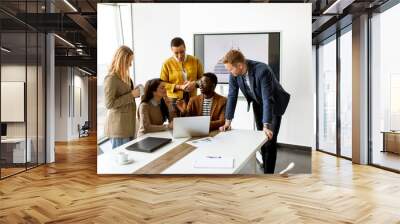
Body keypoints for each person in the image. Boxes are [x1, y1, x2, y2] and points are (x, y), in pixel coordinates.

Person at [219, 50, 290, 174]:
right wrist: (227, 121)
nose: (229, 72)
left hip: (274, 103)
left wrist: (266, 125)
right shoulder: (234, 74)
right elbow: (232, 96)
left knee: (269, 139)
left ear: (240, 65)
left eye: (230, 69)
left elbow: (268, 99)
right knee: (261, 138)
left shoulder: (262, 70)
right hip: (258, 103)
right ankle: (265, 164)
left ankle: (269, 174)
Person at [104, 45, 141, 149]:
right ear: (122, 61)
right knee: (121, 160)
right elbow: (109, 104)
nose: (130, 65)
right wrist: (131, 94)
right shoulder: (111, 79)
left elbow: (126, 95)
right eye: (129, 61)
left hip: (128, 125)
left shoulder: (124, 77)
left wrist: (135, 91)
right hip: (118, 128)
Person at [160, 37, 204, 110]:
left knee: (192, 120)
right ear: (172, 50)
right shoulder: (166, 64)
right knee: (175, 121)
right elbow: (162, 84)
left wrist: (195, 83)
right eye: (176, 53)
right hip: (173, 100)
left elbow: (202, 79)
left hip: (192, 98)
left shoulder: (195, 61)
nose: (180, 55)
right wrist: (179, 87)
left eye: (182, 52)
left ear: (185, 48)